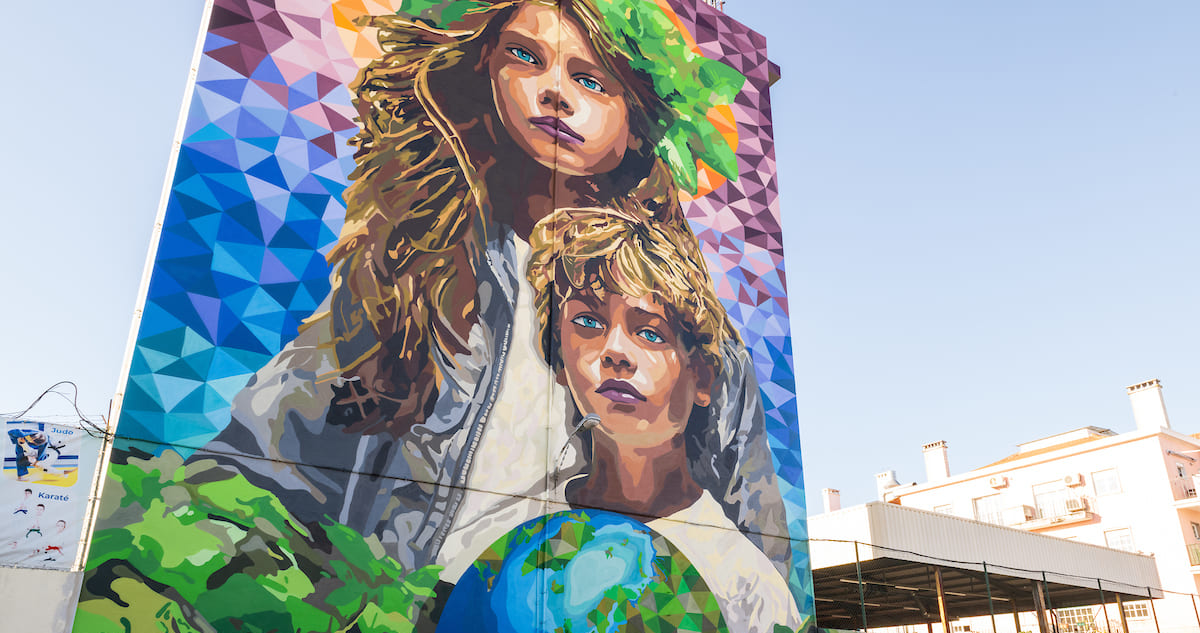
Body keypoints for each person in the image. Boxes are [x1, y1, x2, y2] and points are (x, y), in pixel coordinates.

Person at [196, 0, 789, 582]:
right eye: (525, 57)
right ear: (486, 70)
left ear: (638, 126)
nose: (554, 91)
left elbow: (757, 544)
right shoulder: (414, 269)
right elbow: (262, 465)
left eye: (590, 78)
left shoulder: (696, 335)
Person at [518, 206, 802, 633]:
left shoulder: (746, 584)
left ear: (701, 377)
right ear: (559, 358)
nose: (614, 351)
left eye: (650, 333)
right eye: (588, 322)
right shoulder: (521, 532)